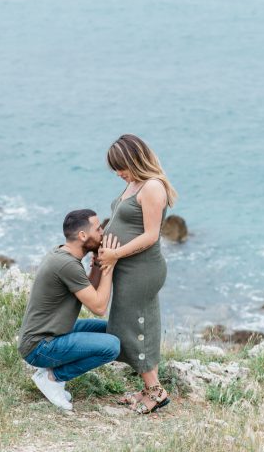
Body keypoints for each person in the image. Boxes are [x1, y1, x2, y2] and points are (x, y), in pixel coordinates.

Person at [97, 134, 178, 414]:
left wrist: (115, 254)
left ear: (135, 159)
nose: (119, 174)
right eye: (116, 169)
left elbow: (151, 235)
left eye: (122, 167)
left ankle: (156, 392)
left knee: (137, 326)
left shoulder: (153, 187)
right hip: (128, 268)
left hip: (142, 269)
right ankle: (147, 389)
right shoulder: (134, 183)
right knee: (134, 323)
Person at [17, 209, 121, 411]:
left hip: (52, 332)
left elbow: (87, 291)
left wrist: (98, 266)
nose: (102, 233)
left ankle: (51, 374)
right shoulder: (67, 265)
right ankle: (52, 377)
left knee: (112, 330)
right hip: (39, 346)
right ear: (83, 235)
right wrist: (110, 266)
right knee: (112, 346)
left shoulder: (63, 255)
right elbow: (99, 307)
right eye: (98, 229)